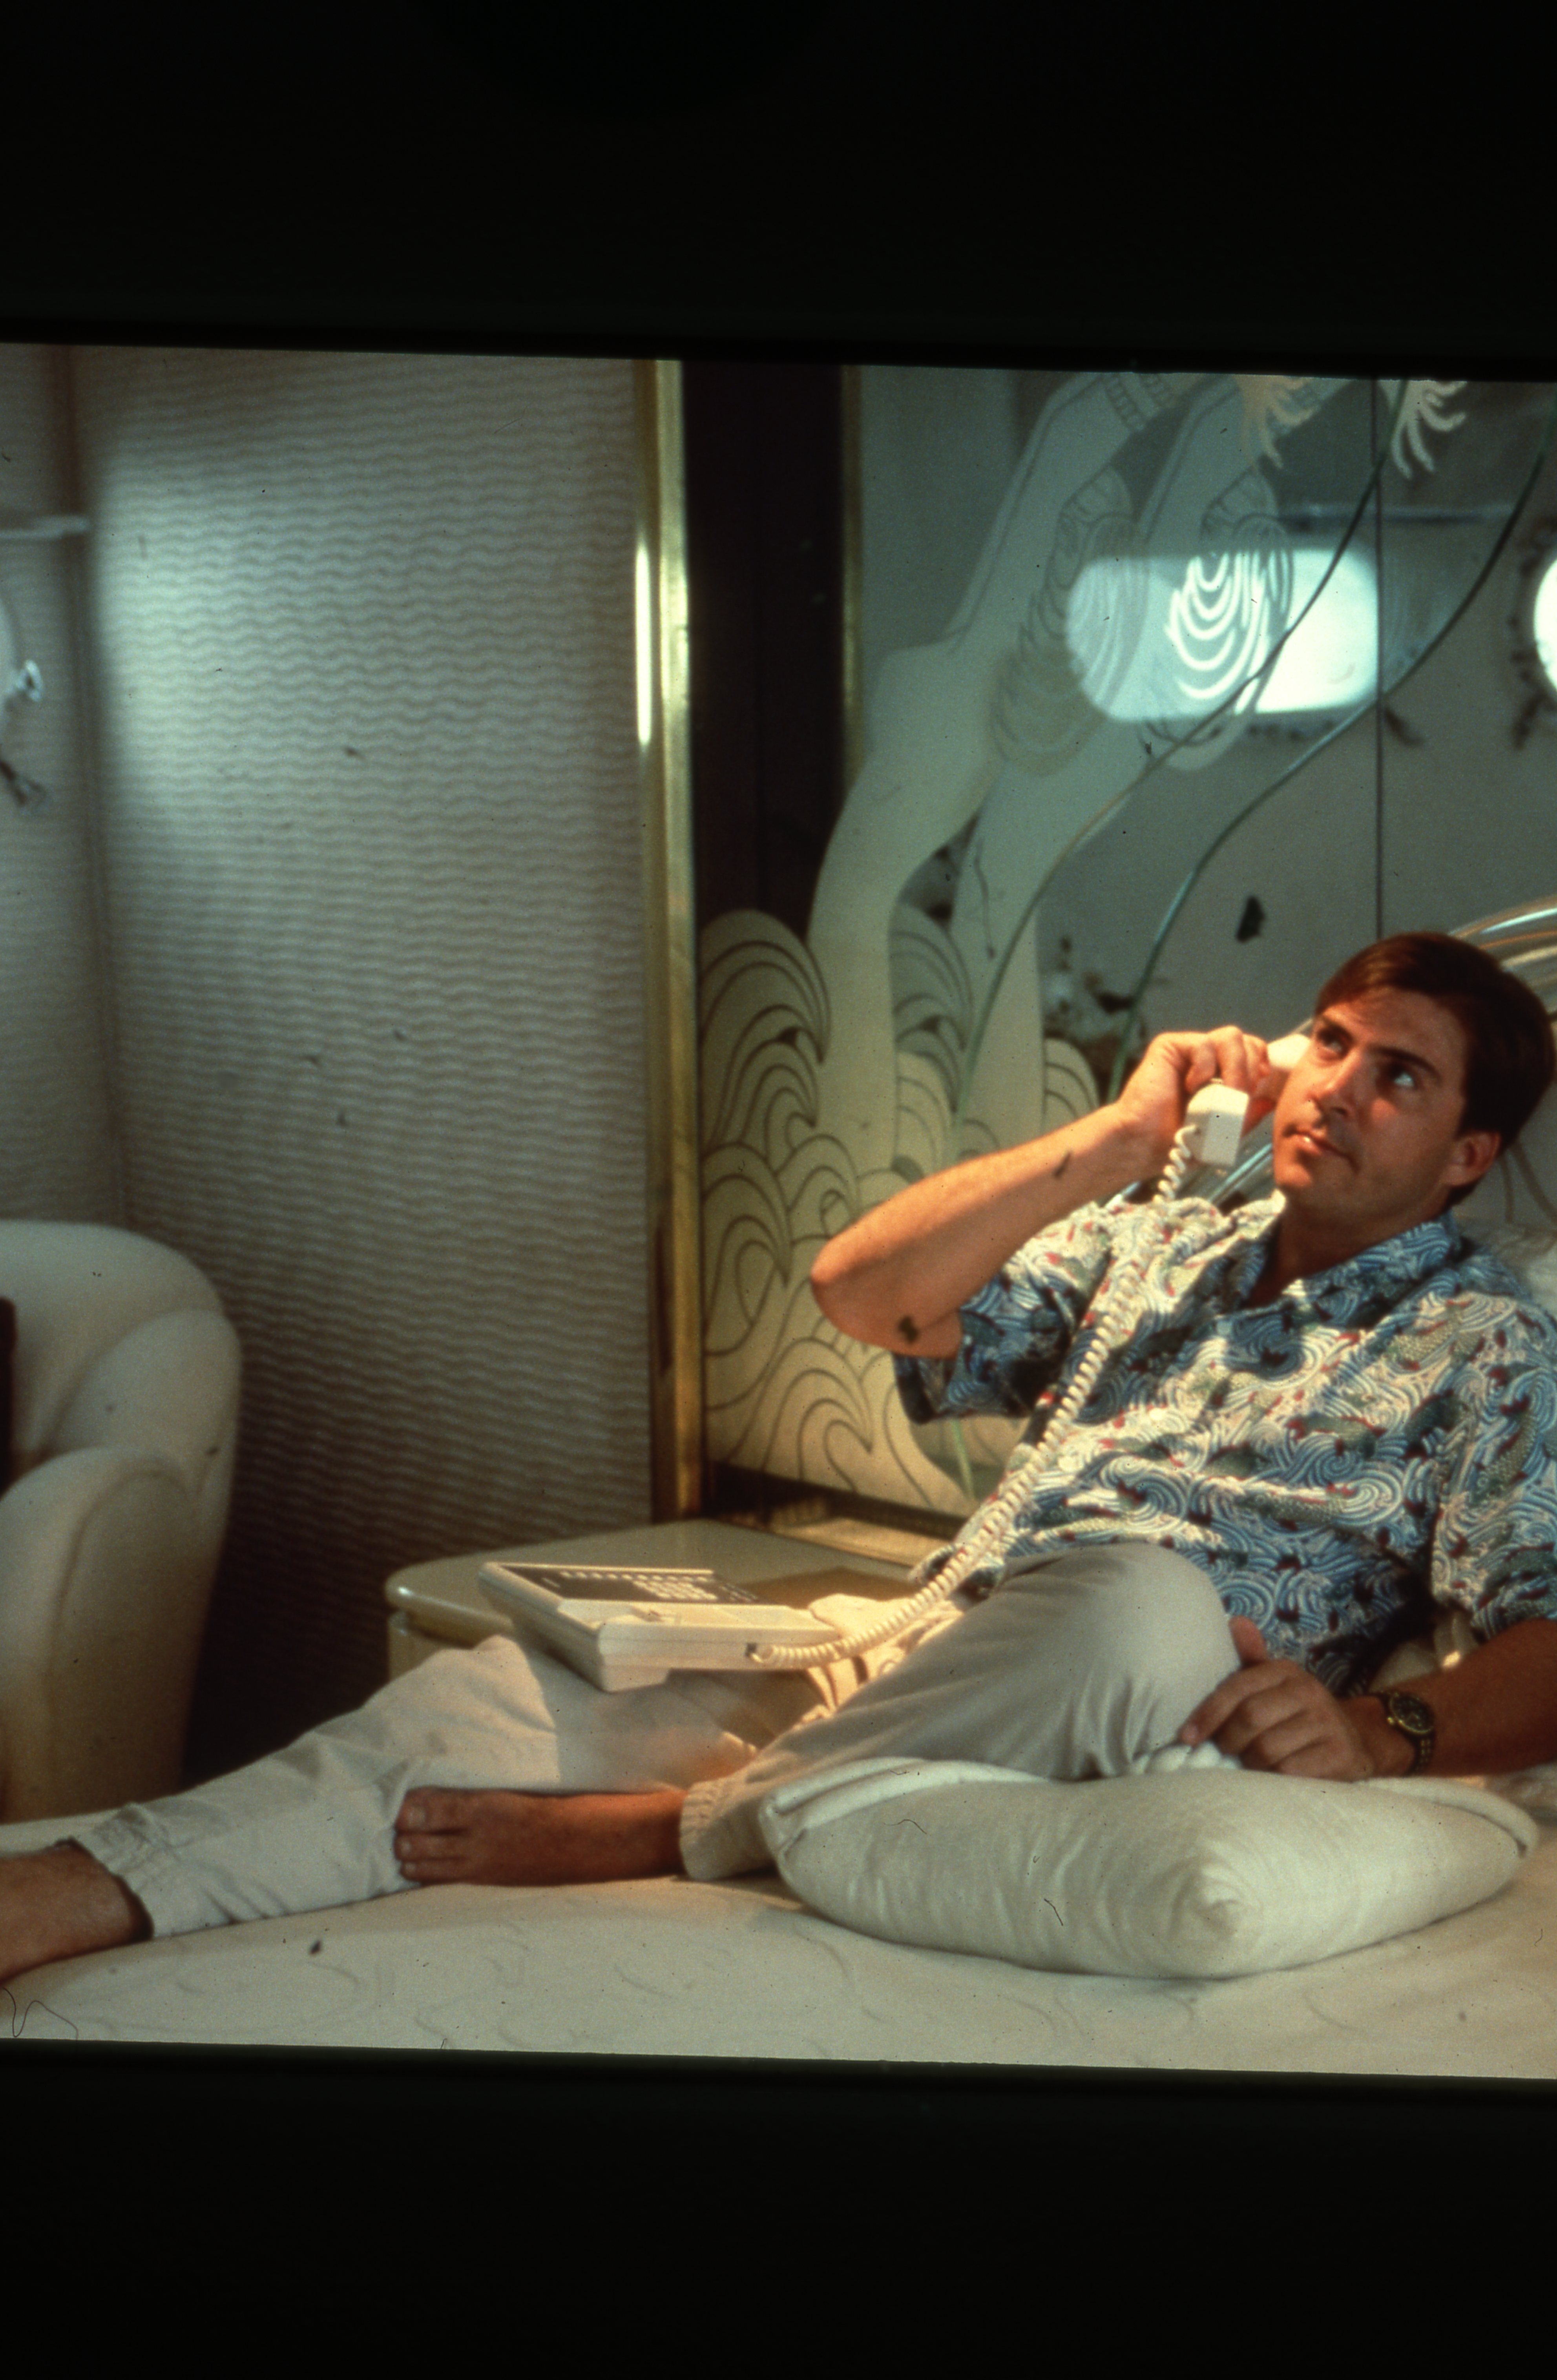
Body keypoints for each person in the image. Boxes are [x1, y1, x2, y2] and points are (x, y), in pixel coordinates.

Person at [7, 930, 1557, 1986]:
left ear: (1468, 1156)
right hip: (945, 1640)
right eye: (1330, 1044)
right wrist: (1114, 1143)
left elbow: (1548, 1637)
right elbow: (864, 1294)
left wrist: (1383, 1733)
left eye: (1400, 1078)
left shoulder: (1486, 1338)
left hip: (1151, 1684)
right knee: (491, 1698)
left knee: (1138, 1594)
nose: (1337, 1089)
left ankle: (684, 1828)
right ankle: (63, 1892)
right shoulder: (1166, 1238)